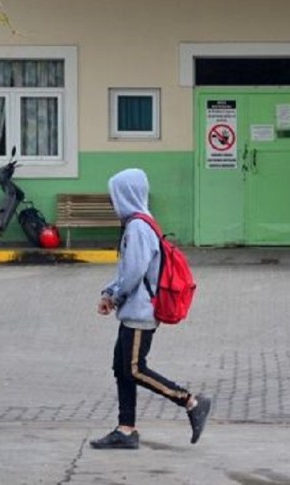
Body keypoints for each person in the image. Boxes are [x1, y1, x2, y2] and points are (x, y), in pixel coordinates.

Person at [90, 168, 211, 450]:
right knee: (121, 369)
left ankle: (190, 402)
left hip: (140, 312)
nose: (112, 201)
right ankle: (126, 429)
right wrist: (110, 291)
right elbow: (127, 270)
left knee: (134, 369)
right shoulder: (140, 224)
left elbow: (133, 273)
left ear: (126, 195)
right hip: (134, 310)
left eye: (114, 195)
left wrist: (114, 296)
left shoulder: (138, 228)